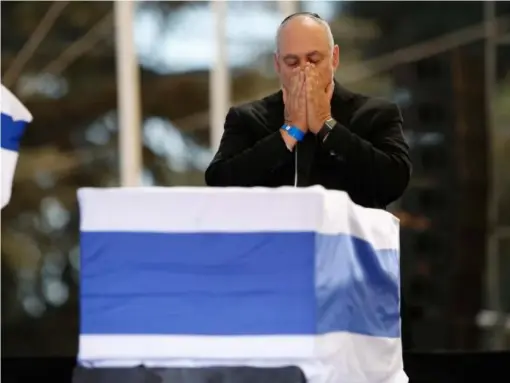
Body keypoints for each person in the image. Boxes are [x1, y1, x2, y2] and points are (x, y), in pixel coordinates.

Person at [205, 12, 411, 210]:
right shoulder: (247, 118)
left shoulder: (376, 114)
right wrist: (289, 131)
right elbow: (219, 183)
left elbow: (394, 182)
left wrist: (326, 125)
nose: (304, 70)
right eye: (292, 62)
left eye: (314, 60)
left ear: (334, 58)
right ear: (278, 64)